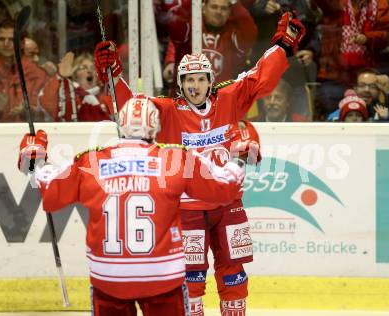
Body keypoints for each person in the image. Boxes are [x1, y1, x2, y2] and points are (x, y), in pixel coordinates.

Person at [94, 12, 305, 315]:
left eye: (201, 79)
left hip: (227, 205)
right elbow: (132, 107)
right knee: (191, 278)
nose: (195, 86)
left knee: (233, 273)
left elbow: (259, 77)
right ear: (180, 84)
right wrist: (113, 73)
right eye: (189, 80)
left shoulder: (229, 98)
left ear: (210, 81)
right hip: (187, 210)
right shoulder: (167, 111)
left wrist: (284, 46)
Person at [17, 97, 245, 316]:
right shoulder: (176, 158)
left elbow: (49, 191)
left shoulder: (90, 162)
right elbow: (225, 188)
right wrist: (239, 157)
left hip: (109, 278)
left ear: (121, 125)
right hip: (162, 277)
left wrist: (35, 159)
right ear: (155, 126)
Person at [163, 0, 258, 94]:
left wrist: (235, 3)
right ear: (203, 8)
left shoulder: (234, 34)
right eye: (214, 7)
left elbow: (250, 31)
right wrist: (170, 62)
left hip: (219, 101)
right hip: (185, 100)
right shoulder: (190, 28)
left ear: (230, 12)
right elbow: (176, 26)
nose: (218, 12)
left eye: (224, 8)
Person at [39, 52, 110, 122]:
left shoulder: (107, 96)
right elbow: (46, 102)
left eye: (93, 68)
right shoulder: (67, 93)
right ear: (74, 74)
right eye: (84, 67)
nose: (89, 71)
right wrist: (60, 76)